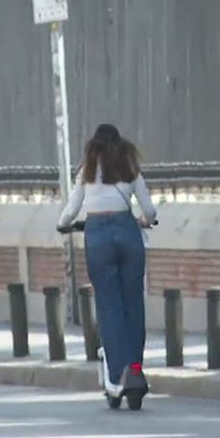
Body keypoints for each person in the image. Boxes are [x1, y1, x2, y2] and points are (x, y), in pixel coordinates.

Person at [56, 124, 157, 399]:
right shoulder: (129, 167)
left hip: (98, 236)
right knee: (133, 305)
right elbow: (149, 209)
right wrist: (144, 220)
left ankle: (116, 375)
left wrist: (62, 224)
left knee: (109, 306)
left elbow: (72, 208)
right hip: (128, 233)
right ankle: (135, 368)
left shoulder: (87, 171)